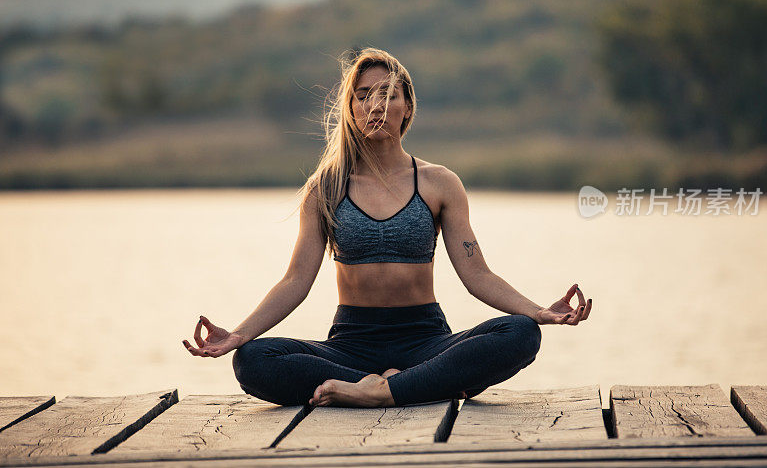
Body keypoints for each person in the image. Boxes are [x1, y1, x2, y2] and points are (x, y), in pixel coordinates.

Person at [182, 48, 592, 408]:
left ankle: (379, 392)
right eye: (363, 97)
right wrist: (237, 335)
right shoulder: (325, 188)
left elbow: (477, 274)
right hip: (350, 345)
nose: (375, 105)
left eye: (387, 94)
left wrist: (537, 311)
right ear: (351, 109)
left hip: (427, 341)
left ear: (408, 106)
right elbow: (295, 281)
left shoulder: (439, 183)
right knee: (252, 361)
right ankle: (395, 387)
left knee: (520, 333)